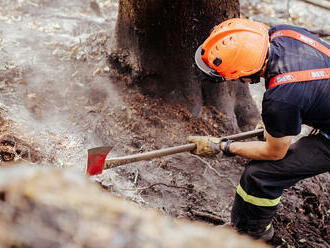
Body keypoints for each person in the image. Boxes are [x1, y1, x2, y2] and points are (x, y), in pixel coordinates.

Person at [190, 18, 330, 241]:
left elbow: (274, 152)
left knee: (260, 175)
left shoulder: (281, 99)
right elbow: (312, 86)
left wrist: (222, 146)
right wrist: (277, 122)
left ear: (246, 72)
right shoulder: (284, 33)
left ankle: (253, 236)